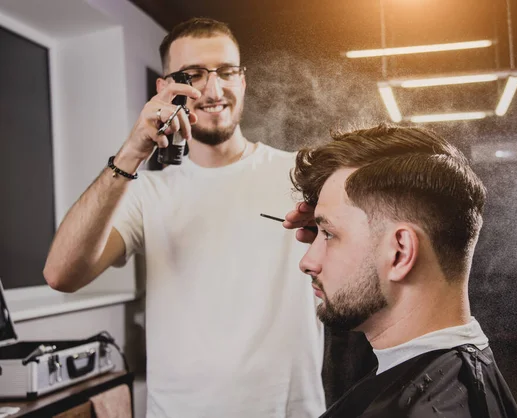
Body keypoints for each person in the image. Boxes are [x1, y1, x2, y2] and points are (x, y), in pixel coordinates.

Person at [43, 17, 326, 418]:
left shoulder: (301, 174)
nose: (213, 89)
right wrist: (131, 153)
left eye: (227, 72)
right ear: (164, 89)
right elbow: (60, 275)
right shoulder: (146, 191)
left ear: (242, 80)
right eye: (192, 75)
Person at [283, 124, 517, 417]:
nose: (307, 262)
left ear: (400, 252)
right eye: (315, 232)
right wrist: (330, 220)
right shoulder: (462, 373)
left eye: (329, 236)